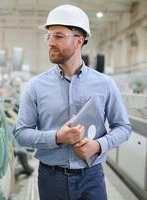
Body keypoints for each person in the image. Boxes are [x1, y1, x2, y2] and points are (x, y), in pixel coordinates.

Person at [13, 4, 131, 200]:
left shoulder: (105, 84)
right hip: (51, 179)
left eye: (58, 36)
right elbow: (20, 133)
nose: (50, 42)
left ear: (79, 41)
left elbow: (123, 127)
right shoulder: (35, 86)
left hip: (91, 177)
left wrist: (99, 145)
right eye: (48, 36)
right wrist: (57, 137)